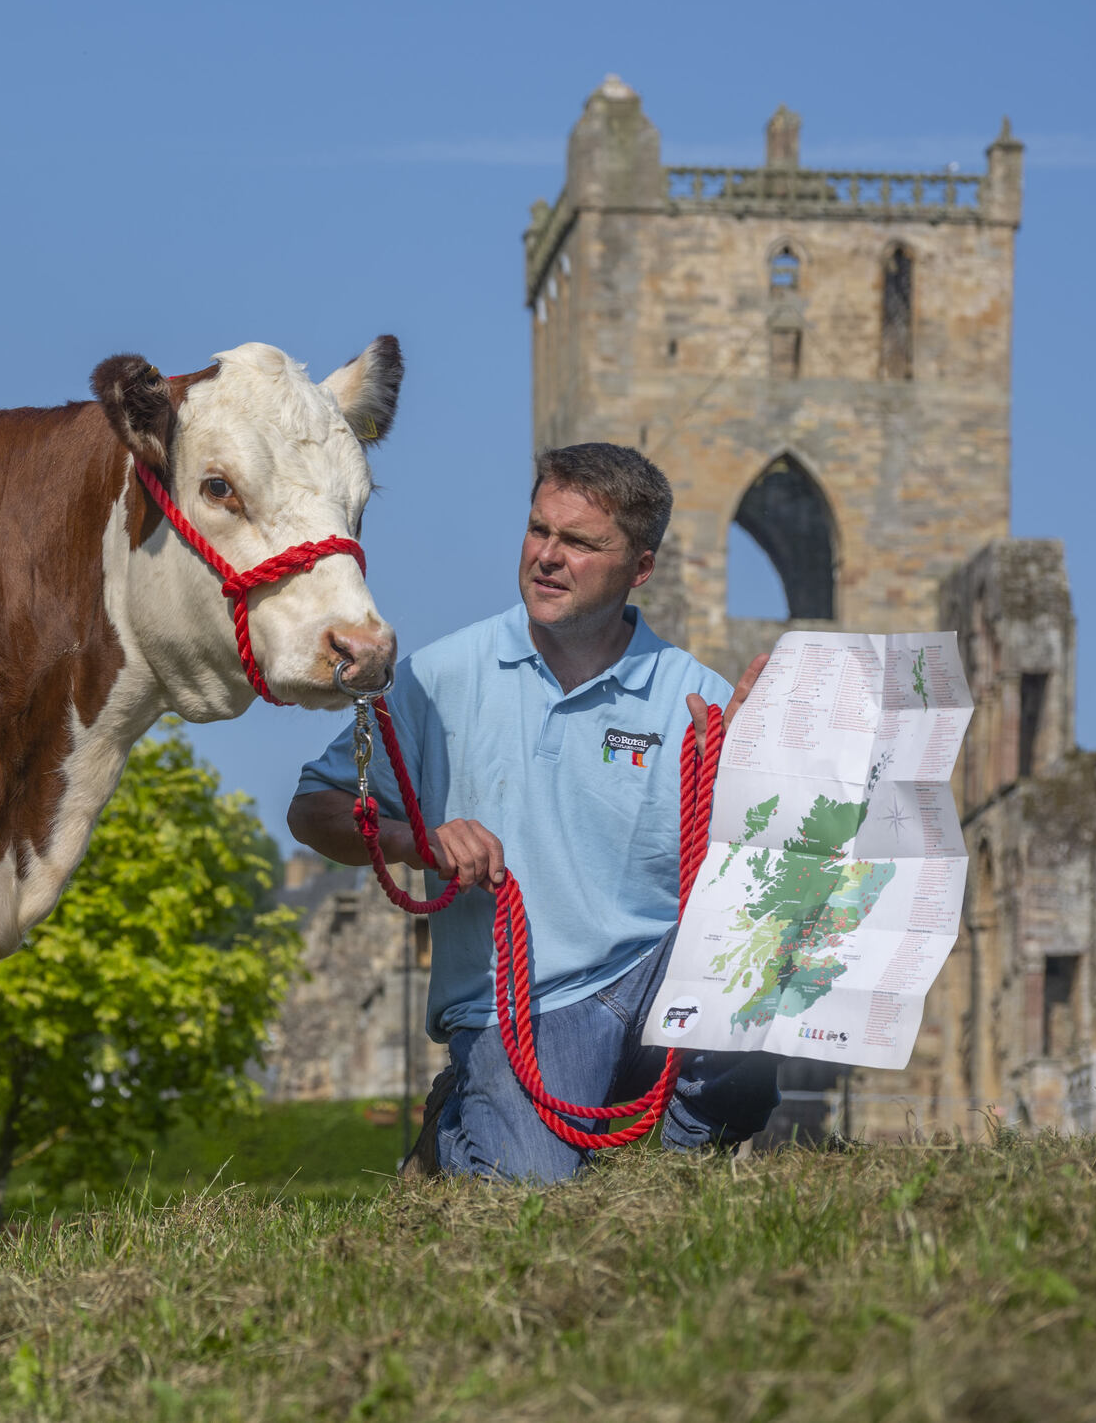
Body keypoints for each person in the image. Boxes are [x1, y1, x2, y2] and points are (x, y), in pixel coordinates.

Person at [285, 442, 775, 1183]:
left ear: (640, 567)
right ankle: (458, 1126)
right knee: (530, 1189)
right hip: (519, 1008)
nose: (547, 556)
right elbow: (313, 809)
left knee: (764, 949)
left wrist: (753, 783)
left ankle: (678, 1160)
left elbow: (755, 871)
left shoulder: (694, 698)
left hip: (653, 977)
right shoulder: (438, 678)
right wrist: (414, 840)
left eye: (579, 542)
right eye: (539, 529)